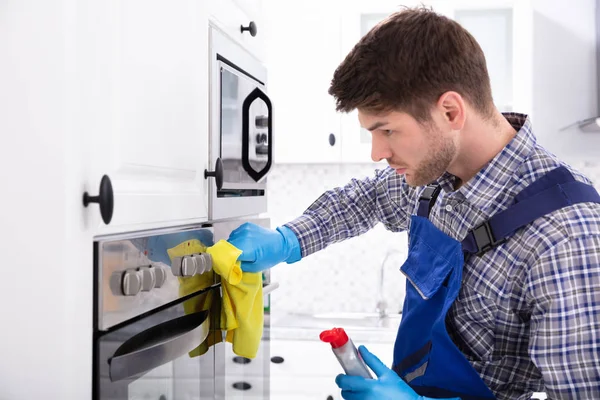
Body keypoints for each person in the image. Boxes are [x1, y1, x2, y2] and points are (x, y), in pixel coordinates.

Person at [227, 7, 600, 400]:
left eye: (386, 130)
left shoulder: (566, 237)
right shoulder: (437, 178)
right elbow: (364, 200)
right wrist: (287, 240)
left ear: (450, 112)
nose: (376, 152)